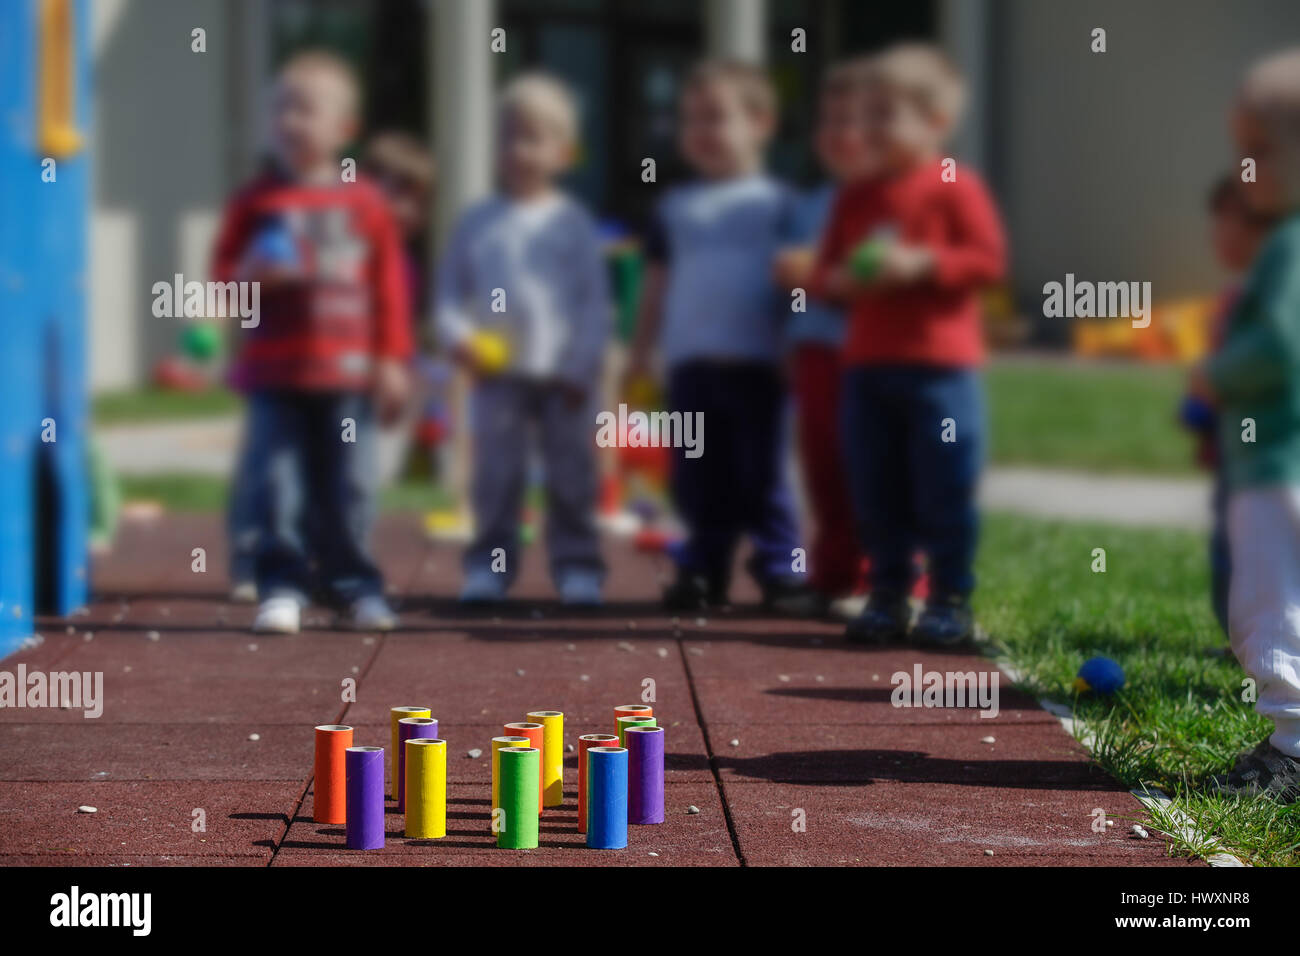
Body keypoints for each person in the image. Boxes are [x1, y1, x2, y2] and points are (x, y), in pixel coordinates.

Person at [809, 43, 1006, 646]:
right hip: (867, 369)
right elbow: (827, 273)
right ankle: (887, 593)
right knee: (876, 486)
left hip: (940, 370)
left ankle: (949, 598)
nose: (867, 129)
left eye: (884, 115)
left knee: (944, 485)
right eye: (864, 114)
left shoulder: (955, 186)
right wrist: (841, 281)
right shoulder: (856, 197)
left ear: (935, 122)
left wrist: (921, 263)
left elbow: (987, 260)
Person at [213, 50, 412, 633]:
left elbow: (388, 287)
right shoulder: (256, 202)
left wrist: (393, 360)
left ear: (343, 129)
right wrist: (251, 276)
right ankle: (282, 584)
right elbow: (224, 284)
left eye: (306, 109)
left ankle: (353, 584)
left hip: (347, 376)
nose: (290, 121)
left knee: (350, 485)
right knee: (278, 486)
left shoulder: (365, 202)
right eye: (280, 108)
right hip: (277, 374)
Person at [626, 60, 813, 615]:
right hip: (691, 368)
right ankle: (703, 568)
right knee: (697, 476)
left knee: (763, 472)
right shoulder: (674, 209)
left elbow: (797, 282)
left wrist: (793, 341)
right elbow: (656, 285)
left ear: (760, 122)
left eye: (716, 118)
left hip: (759, 363)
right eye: (690, 120)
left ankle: (782, 570)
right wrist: (639, 354)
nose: (700, 131)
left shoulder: (780, 204)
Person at [435, 73, 611, 605]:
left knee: (572, 477)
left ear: (564, 151)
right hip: (498, 375)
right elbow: (448, 292)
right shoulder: (478, 221)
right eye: (509, 136)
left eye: (534, 138)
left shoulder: (573, 222)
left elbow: (593, 302)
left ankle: (578, 566)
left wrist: (582, 366)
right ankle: (489, 567)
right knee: (495, 477)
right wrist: (459, 337)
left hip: (564, 376)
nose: (519, 150)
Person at [1197, 48, 1300, 802]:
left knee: (1267, 604)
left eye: (1257, 151)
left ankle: (1293, 748)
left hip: (1276, 468)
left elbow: (1279, 345)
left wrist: (1219, 372)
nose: (1243, 170)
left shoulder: (1290, 248)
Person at [773, 58, 878, 614]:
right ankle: (834, 576)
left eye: (851, 122)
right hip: (816, 350)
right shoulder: (811, 204)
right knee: (823, 467)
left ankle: (882, 582)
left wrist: (813, 273)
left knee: (870, 468)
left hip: (870, 357)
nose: (836, 134)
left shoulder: (892, 202)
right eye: (828, 121)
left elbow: (873, 280)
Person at [1178, 175, 1274, 636]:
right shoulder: (1235, 301)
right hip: (1234, 453)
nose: (1215, 237)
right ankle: (1241, 638)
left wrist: (1214, 382)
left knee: (1256, 549)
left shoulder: (1269, 304)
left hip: (1268, 460)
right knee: (1229, 548)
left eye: (1224, 225)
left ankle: (1264, 639)